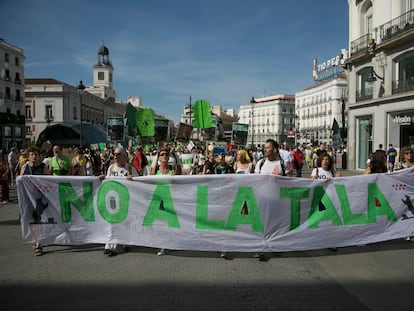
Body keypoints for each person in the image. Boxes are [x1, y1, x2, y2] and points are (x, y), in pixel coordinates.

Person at [253, 139, 290, 260]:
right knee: (261, 226)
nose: (265, 149)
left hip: (278, 200)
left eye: (267, 147)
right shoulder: (261, 163)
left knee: (276, 226)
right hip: (262, 199)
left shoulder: (282, 164)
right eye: (265, 147)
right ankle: (260, 249)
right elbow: (254, 181)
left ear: (274, 149)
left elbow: (289, 181)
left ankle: (275, 246)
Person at [100, 147, 139, 256]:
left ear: (125, 157)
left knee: (125, 223)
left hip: (126, 201)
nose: (116, 156)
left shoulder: (130, 168)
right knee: (112, 223)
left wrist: (133, 179)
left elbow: (140, 184)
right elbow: (108, 182)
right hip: (113, 202)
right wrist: (102, 178)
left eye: (118, 154)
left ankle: (126, 243)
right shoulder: (111, 168)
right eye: (114, 154)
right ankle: (110, 246)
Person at [150, 147, 181, 255]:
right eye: (162, 154)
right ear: (158, 158)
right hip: (159, 201)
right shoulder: (155, 171)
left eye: (166, 155)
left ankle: (169, 243)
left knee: (170, 224)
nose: (164, 156)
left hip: (171, 200)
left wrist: (174, 154)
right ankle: (163, 244)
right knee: (161, 224)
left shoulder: (173, 170)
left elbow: (179, 180)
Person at [19, 147, 50, 256]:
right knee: (30, 220)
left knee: (38, 220)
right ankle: (35, 239)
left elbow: (48, 182)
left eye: (36, 154)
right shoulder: (24, 167)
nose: (34, 156)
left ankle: (38, 243)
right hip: (27, 199)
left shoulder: (43, 167)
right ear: (28, 156)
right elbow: (20, 182)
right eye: (32, 154)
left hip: (39, 199)